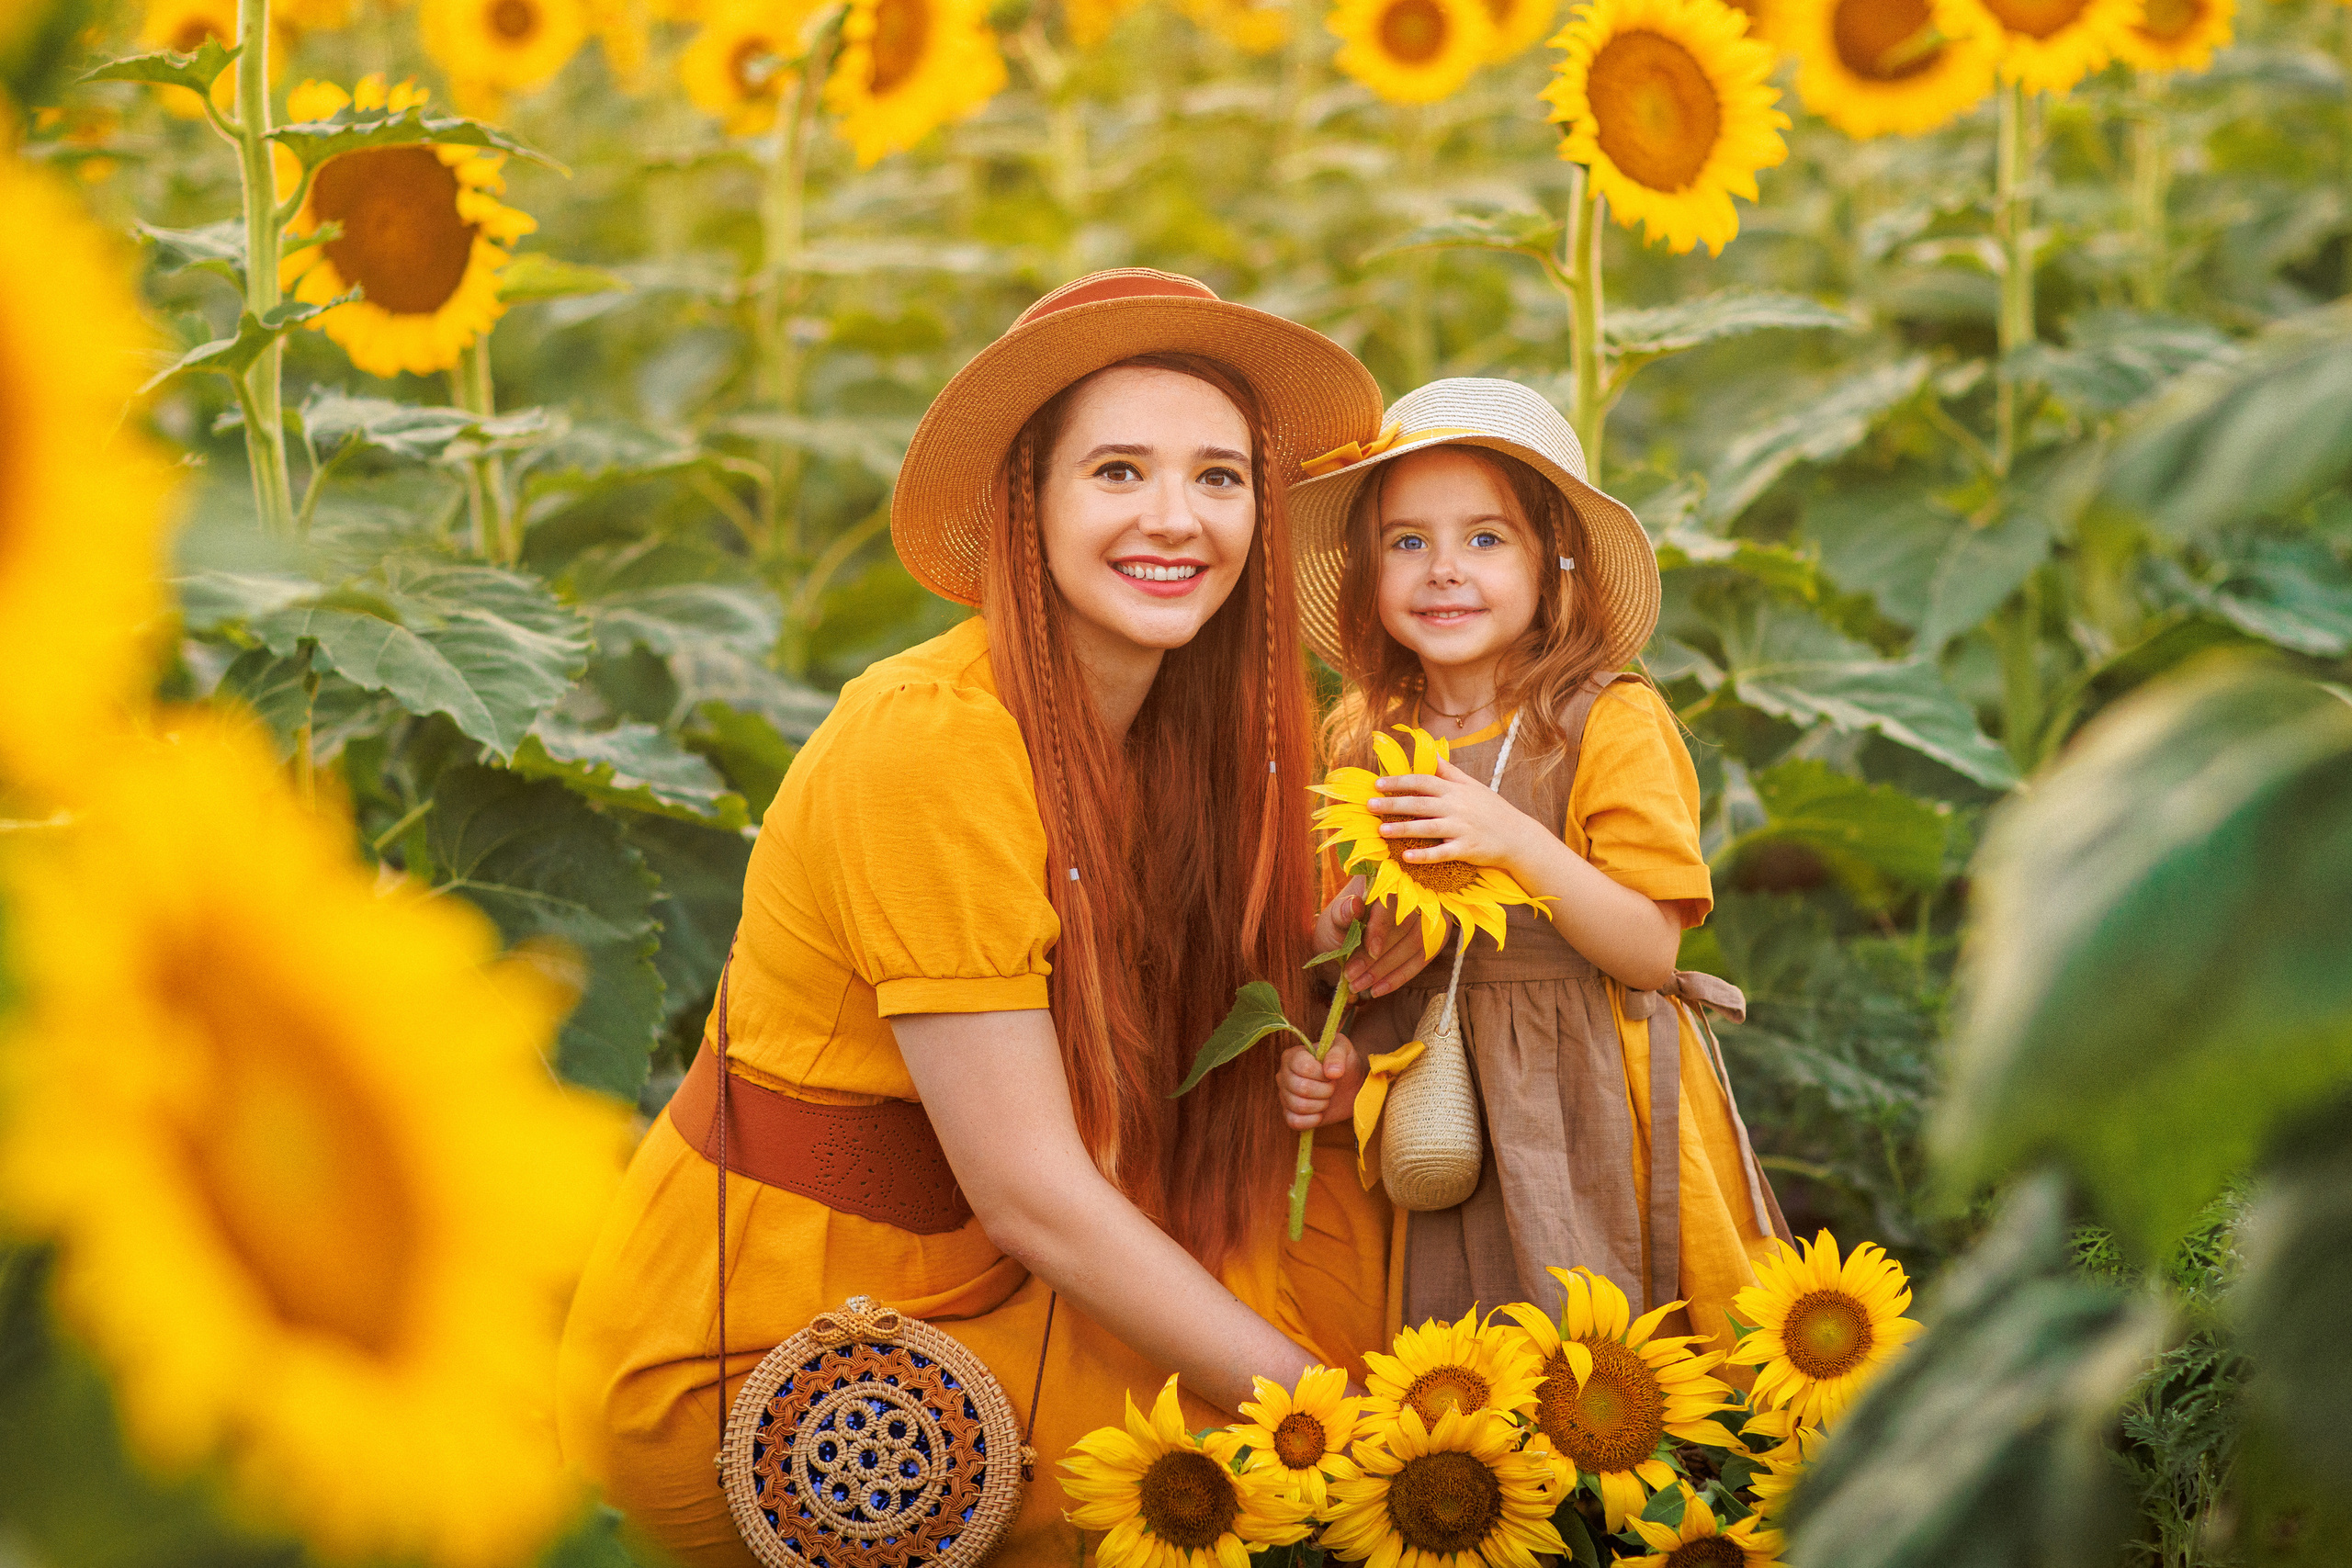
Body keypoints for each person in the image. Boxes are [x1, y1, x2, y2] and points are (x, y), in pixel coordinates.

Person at [555, 270, 1404, 1567]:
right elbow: (1033, 1190)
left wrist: (1348, 956)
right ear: (1032, 502)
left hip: (1010, 1275)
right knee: (1293, 1464)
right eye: (1118, 471)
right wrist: (1332, 1424)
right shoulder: (930, 744)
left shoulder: (1187, 730)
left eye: (1220, 477)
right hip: (808, 1331)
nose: (1177, 518)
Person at [1272, 377, 1791, 1354]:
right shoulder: (1365, 737)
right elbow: (1370, 968)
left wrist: (1510, 837)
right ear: (1366, 574)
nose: (1442, 571)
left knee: (1626, 1349)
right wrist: (1343, 1037)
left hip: (1595, 1091)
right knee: (1472, 1358)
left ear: (1554, 569)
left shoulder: (1603, 717)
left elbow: (1648, 947)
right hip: (1444, 1114)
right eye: (1407, 541)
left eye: (1484, 538)